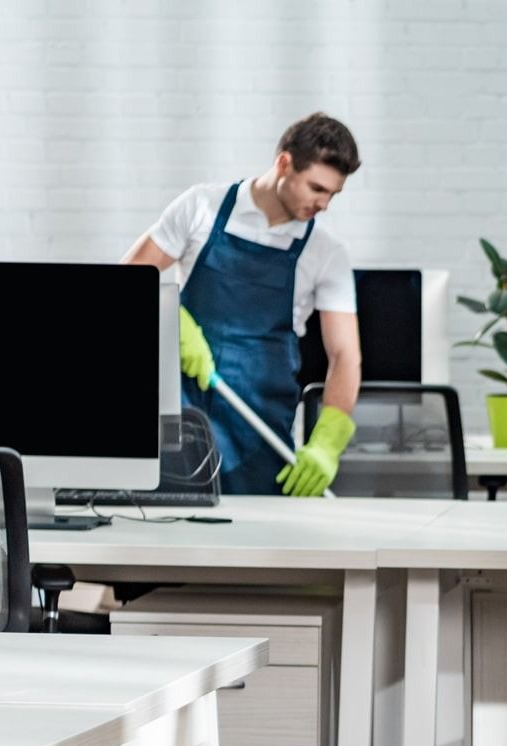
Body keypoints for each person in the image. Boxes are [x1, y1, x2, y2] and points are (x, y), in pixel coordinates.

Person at [123, 113, 364, 496]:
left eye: (332, 194)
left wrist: (327, 442)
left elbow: (345, 357)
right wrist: (171, 317)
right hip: (181, 419)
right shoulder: (201, 207)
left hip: (260, 430)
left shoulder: (326, 252)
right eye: (317, 188)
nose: (324, 203)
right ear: (284, 163)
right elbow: (128, 279)